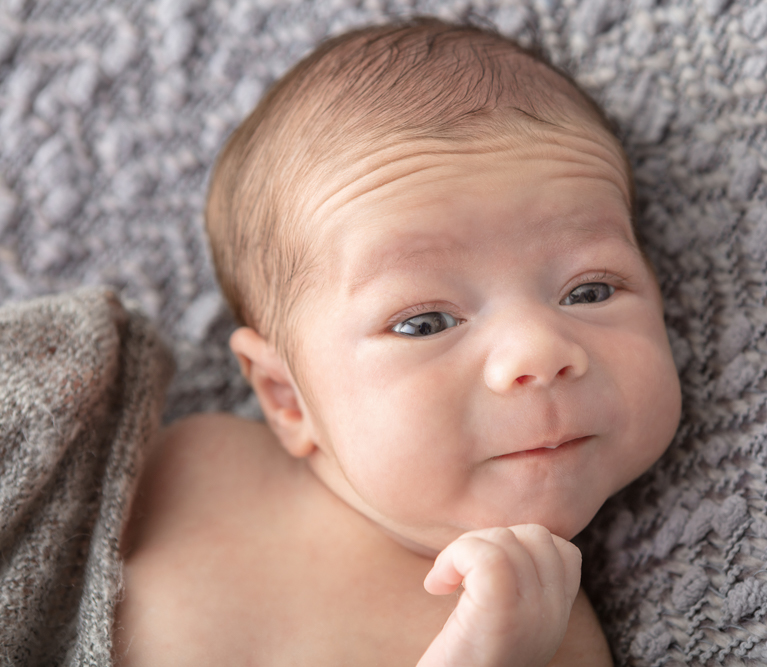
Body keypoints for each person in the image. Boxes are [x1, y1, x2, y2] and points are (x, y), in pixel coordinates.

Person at [114, 17, 682, 666]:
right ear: (285, 394)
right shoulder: (189, 464)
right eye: (425, 322)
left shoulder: (541, 634)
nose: (537, 350)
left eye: (590, 291)